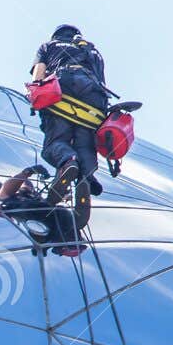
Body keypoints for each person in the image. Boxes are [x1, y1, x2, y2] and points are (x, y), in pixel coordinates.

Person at [30, 23, 112, 221]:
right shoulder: (92, 50)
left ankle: (68, 162)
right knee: (85, 145)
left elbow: (38, 75)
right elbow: (102, 81)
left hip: (62, 93)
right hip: (93, 101)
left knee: (54, 144)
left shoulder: (49, 46)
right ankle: (84, 177)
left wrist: (34, 95)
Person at [0, 165, 82, 257]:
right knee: (4, 196)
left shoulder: (29, 197)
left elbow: (26, 187)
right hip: (38, 215)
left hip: (46, 218)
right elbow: (10, 191)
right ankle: (69, 241)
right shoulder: (10, 199)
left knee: (8, 196)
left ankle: (67, 242)